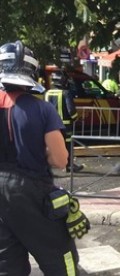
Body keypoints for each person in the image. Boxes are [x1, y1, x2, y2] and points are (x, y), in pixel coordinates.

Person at [0, 40, 87, 275]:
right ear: (32, 72)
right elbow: (60, 159)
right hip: (31, 193)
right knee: (63, 260)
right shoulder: (42, 109)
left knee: (7, 266)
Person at [44, 70, 84, 172]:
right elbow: (71, 110)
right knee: (68, 146)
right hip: (65, 126)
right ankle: (69, 165)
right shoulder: (66, 93)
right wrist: (76, 119)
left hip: (50, 126)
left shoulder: (47, 93)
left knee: (50, 145)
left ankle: (47, 166)